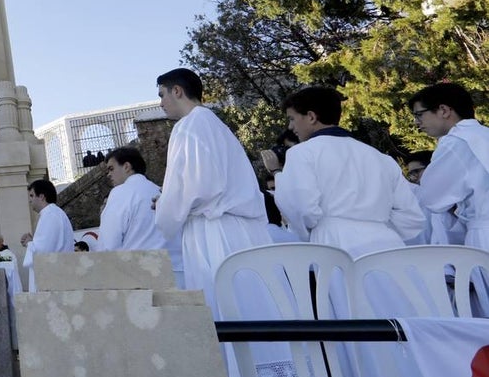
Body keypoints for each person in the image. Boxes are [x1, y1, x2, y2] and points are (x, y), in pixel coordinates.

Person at [153, 68, 272, 306]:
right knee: (258, 305)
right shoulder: (217, 125)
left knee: (226, 308)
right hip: (245, 231)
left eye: (162, 95)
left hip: (213, 233)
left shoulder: (187, 126)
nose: (161, 103)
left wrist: (163, 208)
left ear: (177, 91)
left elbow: (188, 188)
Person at [271, 86, 424, 257]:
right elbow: (411, 217)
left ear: (311, 117)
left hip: (335, 245)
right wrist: (377, 227)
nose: (290, 127)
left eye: (292, 119)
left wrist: (313, 232)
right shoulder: (381, 158)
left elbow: (301, 208)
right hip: (388, 246)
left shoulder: (302, 153)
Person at [409, 82, 489, 250]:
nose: (417, 123)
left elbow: (432, 199)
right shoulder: (483, 134)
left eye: (419, 115)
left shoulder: (456, 141)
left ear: (444, 110)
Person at [94, 147, 167, 253]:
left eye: (111, 169)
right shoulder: (160, 191)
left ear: (127, 167)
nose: (108, 174)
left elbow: (108, 244)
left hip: (141, 265)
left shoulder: (119, 193)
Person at [20, 179, 74, 292]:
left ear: (42, 197)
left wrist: (29, 243)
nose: (30, 200)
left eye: (32, 195)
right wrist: (32, 242)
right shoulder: (54, 213)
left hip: (52, 279)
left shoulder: (50, 215)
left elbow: (43, 252)